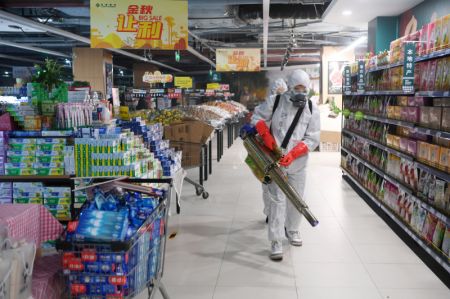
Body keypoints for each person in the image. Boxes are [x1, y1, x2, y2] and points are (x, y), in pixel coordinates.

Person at [251, 69, 320, 261]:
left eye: (303, 88)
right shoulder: (275, 102)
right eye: (296, 88)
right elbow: (257, 118)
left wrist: (295, 153)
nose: (300, 92)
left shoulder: (312, 109)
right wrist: (265, 134)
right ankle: (275, 240)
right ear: (289, 87)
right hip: (275, 160)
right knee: (276, 200)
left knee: (296, 198)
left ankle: (293, 230)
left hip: (298, 162)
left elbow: (313, 137)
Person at [262, 79, 288, 221]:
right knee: (267, 184)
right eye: (277, 93)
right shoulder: (269, 105)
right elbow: (260, 124)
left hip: (284, 153)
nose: (280, 96)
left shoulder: (290, 108)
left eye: (282, 93)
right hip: (268, 152)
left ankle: (280, 214)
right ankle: (269, 212)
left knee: (285, 185)